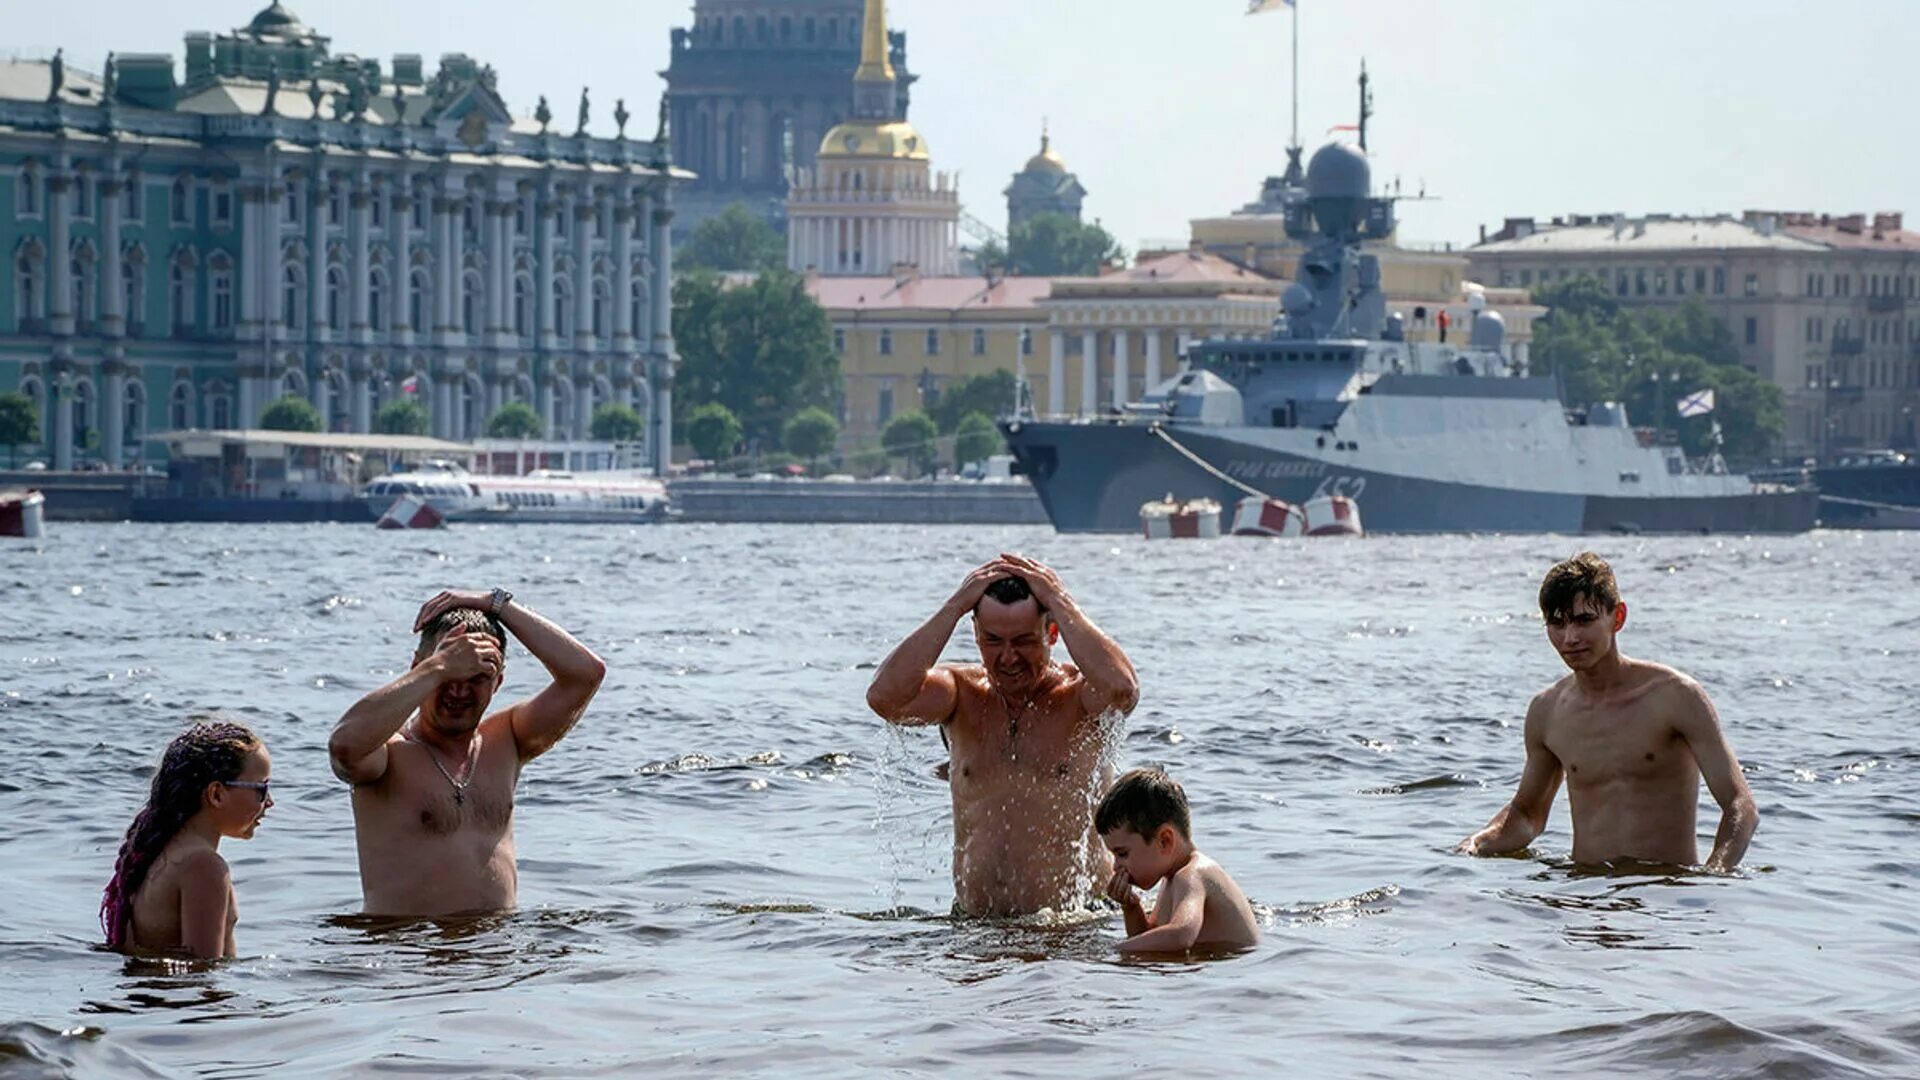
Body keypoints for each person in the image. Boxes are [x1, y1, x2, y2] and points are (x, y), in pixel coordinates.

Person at [866, 554, 1139, 916]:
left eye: (1023, 641)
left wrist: (1059, 599)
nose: (1008, 658)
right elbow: (884, 698)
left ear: (1052, 633)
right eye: (993, 641)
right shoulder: (959, 693)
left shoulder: (1079, 697)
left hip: (1074, 929)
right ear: (976, 634)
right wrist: (955, 606)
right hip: (976, 929)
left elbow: (1123, 690)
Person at [1458, 552, 1758, 871]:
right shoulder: (1547, 711)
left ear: (1618, 618)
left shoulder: (1675, 696)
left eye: (1584, 620)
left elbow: (1741, 806)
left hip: (1662, 899)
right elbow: (1527, 816)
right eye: (1557, 623)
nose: (1570, 638)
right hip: (1583, 893)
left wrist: (1715, 875)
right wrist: (1477, 844)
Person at [329, 588, 605, 916]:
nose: (459, 690)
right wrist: (440, 666)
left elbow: (585, 675)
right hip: (407, 952)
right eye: (449, 674)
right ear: (418, 668)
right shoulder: (387, 753)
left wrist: (497, 604)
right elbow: (344, 747)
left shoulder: (507, 741)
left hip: (496, 951)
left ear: (498, 682)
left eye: (477, 677)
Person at [101, 721, 274, 960]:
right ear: (217, 794)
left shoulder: (159, 848)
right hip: (178, 998)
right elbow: (203, 974)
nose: (270, 802)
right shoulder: (204, 866)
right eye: (261, 790)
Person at [1097, 768, 1259, 954]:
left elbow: (1181, 934)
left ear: (1165, 841)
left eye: (1123, 854)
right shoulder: (1171, 877)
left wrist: (1110, 951)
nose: (1116, 866)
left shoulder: (1192, 874)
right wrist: (1131, 908)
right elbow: (1151, 941)